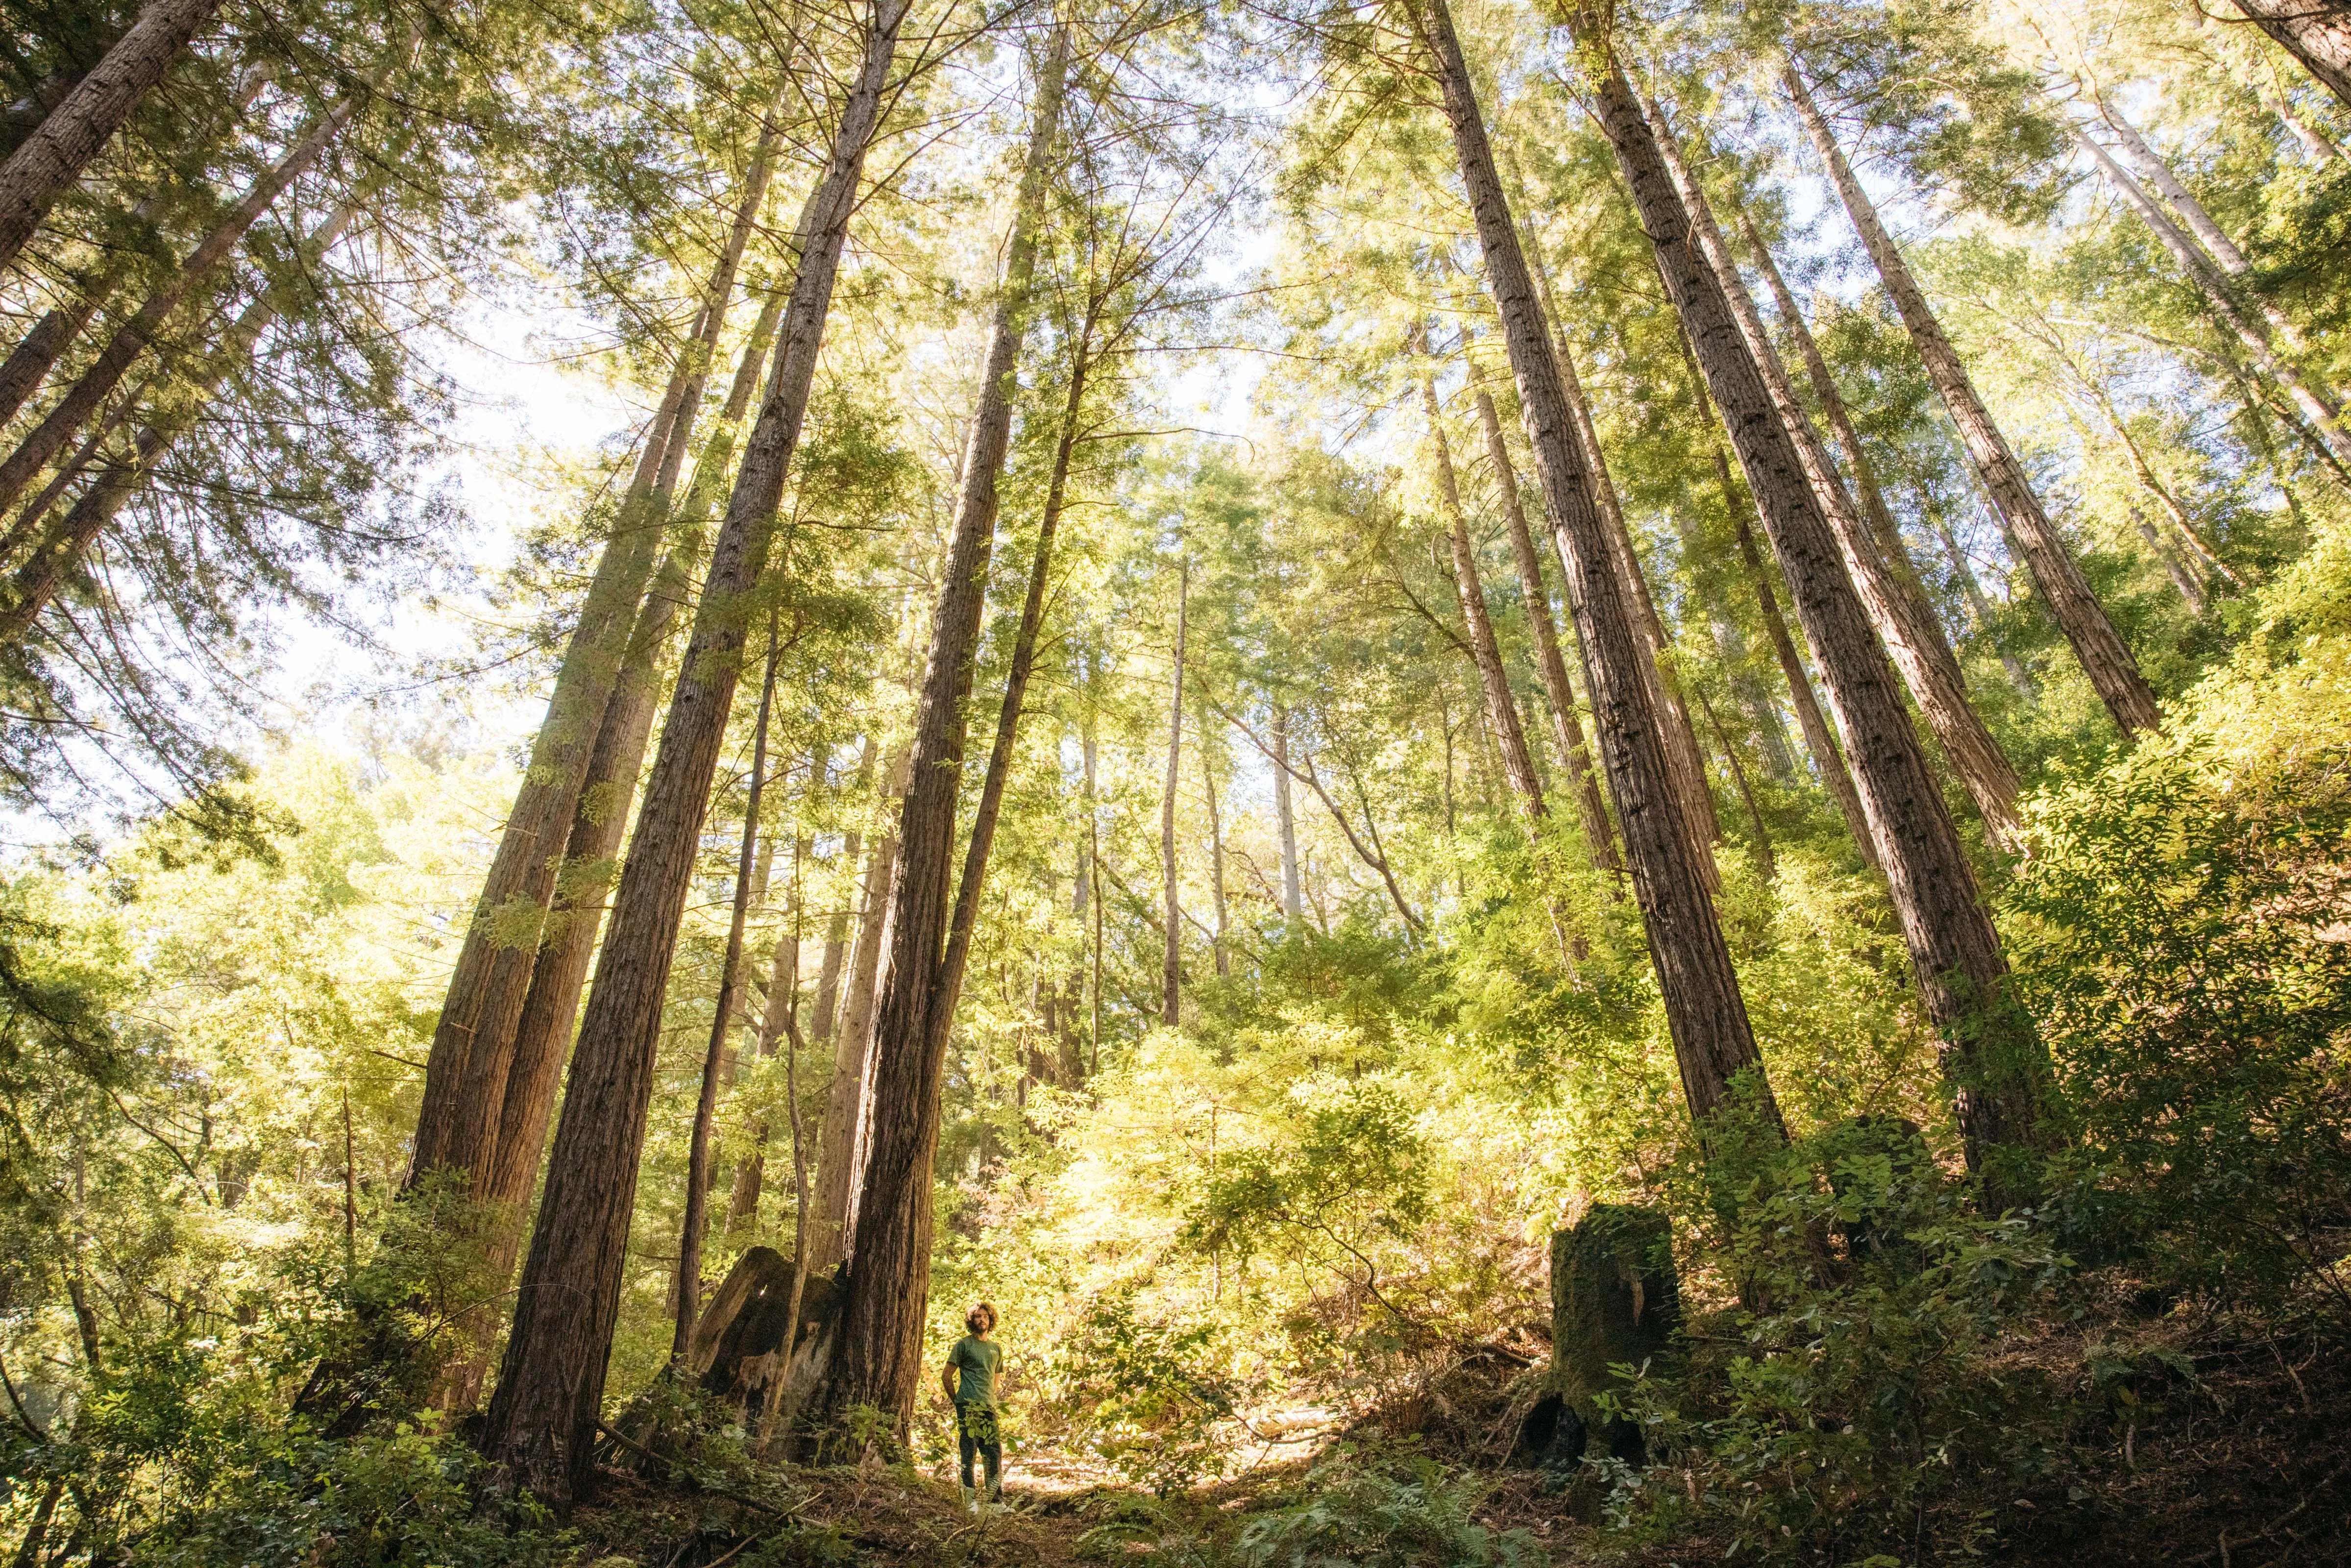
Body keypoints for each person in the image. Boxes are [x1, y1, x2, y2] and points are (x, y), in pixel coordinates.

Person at [941, 1301, 1004, 1510]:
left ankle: (996, 1502)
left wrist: (991, 1397)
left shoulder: (996, 1348)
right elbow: (947, 1375)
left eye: (986, 1316)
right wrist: (957, 1400)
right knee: (969, 1451)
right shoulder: (964, 1345)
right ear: (971, 1320)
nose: (982, 1319)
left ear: (991, 1320)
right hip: (968, 1406)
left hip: (989, 1407)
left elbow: (995, 1378)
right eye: (977, 1316)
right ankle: (970, 1501)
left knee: (993, 1452)